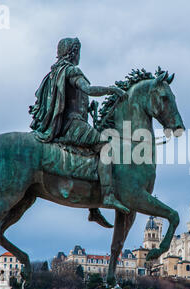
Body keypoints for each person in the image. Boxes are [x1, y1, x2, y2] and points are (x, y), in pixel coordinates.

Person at [29, 37, 129, 225]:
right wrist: (112, 90)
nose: (79, 56)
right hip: (72, 125)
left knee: (90, 154)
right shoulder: (71, 70)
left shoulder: (54, 72)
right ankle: (107, 195)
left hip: (62, 124)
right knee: (105, 147)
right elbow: (88, 89)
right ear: (74, 52)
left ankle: (93, 208)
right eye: (79, 52)